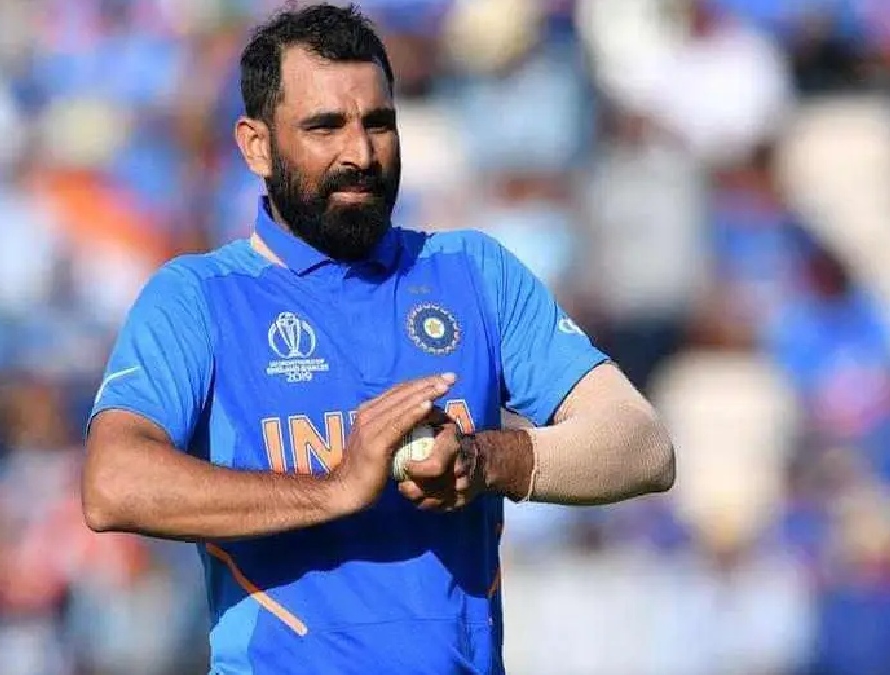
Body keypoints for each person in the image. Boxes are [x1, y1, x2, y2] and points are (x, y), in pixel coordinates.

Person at [83, 4, 675, 673]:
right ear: (256, 145)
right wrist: (335, 487)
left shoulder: (472, 272)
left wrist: (486, 460)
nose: (360, 155)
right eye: (324, 126)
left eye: (378, 123)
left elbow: (643, 446)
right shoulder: (198, 296)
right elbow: (112, 482)